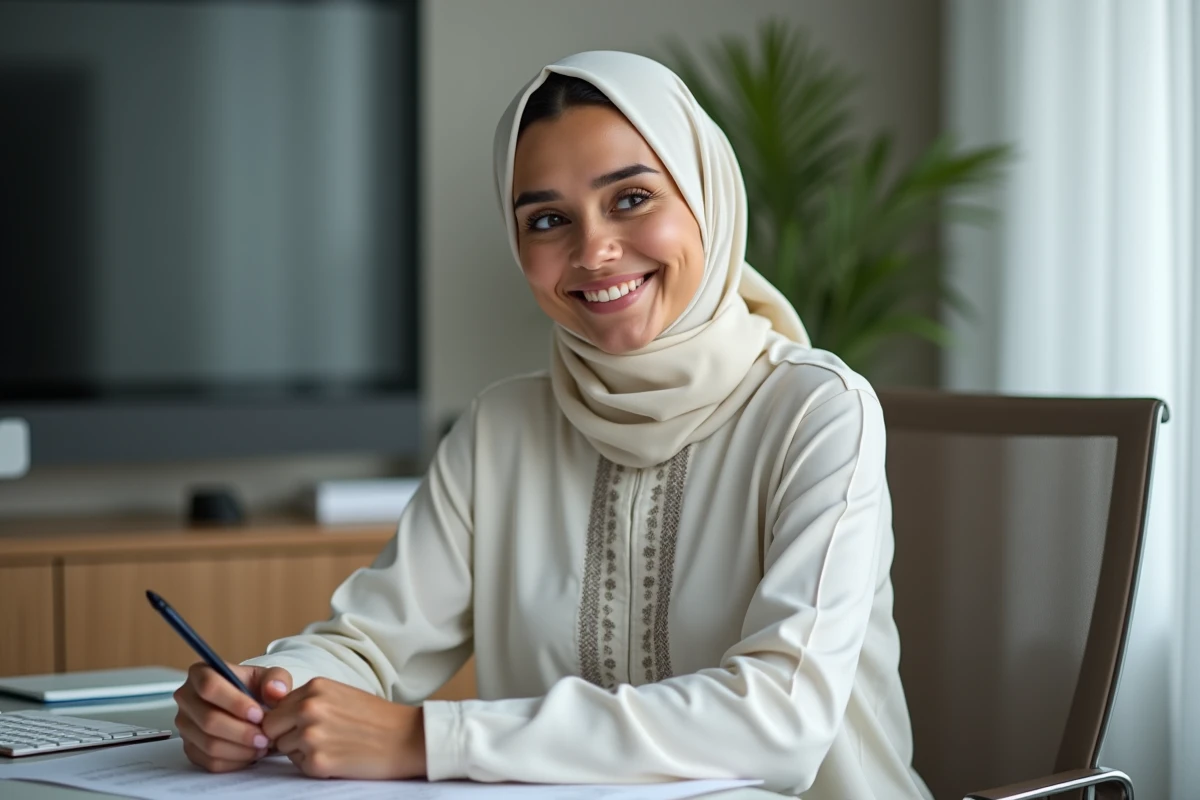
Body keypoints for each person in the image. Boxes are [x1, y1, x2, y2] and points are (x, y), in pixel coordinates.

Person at [172, 50, 931, 798]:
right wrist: (263, 693)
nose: (594, 251)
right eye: (547, 219)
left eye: (631, 198)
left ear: (707, 196)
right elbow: (373, 644)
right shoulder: (503, 427)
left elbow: (780, 721)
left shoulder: (817, 410)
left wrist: (426, 740)